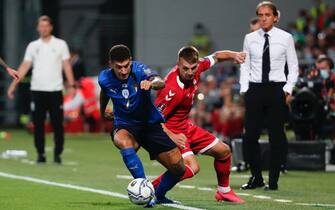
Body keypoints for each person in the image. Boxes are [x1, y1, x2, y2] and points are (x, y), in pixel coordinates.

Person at [152, 46, 246, 203]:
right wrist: (173, 136)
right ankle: (153, 190)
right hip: (172, 132)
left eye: (193, 68)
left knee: (224, 151)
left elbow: (216, 56)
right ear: (178, 64)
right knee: (192, 168)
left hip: (186, 127)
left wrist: (234, 55)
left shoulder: (197, 67)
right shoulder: (170, 89)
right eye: (185, 68)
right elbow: (153, 119)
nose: (189, 72)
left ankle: (224, 191)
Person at [99, 44, 188, 206]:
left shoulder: (140, 71)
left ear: (131, 61)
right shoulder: (104, 78)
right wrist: (102, 111)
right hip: (125, 125)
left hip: (150, 125)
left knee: (179, 168)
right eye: (119, 67)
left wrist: (151, 84)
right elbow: (104, 91)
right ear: (110, 64)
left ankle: (158, 195)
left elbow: (159, 81)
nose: (124, 71)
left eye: (126, 66)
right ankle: (144, 187)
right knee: (123, 141)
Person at [239, 1, 299, 190]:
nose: (263, 18)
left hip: (276, 90)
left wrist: (288, 89)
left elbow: (294, 66)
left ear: (275, 17)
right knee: (249, 137)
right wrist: (244, 88)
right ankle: (256, 177)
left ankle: (273, 181)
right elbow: (245, 65)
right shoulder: (250, 38)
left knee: (277, 137)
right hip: (255, 90)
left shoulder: (286, 37)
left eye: (267, 15)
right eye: (261, 15)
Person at [7, 15, 76, 164]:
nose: (43, 28)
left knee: (57, 124)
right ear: (38, 28)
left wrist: (72, 84)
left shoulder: (60, 44)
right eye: (41, 26)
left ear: (51, 27)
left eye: (46, 26)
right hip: (37, 90)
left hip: (55, 90)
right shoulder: (33, 46)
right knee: (38, 124)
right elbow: (24, 66)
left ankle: (58, 154)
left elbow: (66, 65)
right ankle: (41, 154)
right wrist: (13, 85)